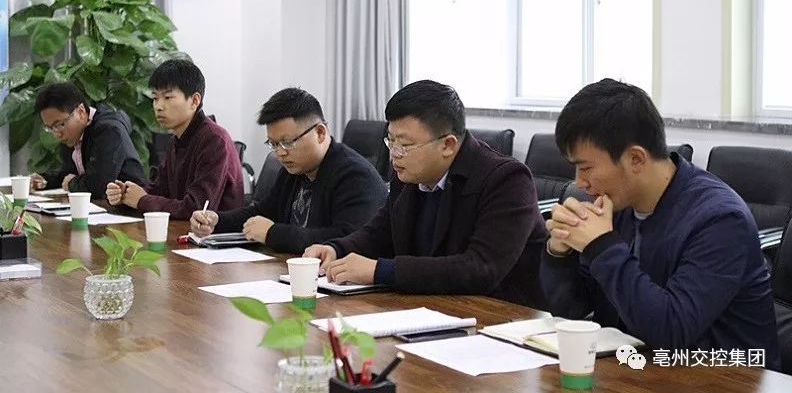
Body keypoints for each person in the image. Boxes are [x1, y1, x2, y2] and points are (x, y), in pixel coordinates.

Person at [541, 78, 780, 370]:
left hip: (724, 377)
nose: (579, 182)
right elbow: (571, 311)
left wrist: (602, 246)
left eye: (586, 167)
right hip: (634, 371)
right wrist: (560, 253)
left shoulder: (720, 221)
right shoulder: (617, 205)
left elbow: (670, 331)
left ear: (636, 159)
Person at [303, 80, 547, 308]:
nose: (394, 154)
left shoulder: (507, 180)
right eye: (391, 141)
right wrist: (337, 248)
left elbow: (480, 268)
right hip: (430, 306)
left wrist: (380, 271)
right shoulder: (409, 174)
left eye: (405, 145)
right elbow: (381, 232)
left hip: (502, 317)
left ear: (448, 145)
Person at [190, 88, 387, 254]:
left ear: (320, 133)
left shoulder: (355, 177)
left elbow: (347, 239)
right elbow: (263, 212)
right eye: (273, 144)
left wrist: (272, 233)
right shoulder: (294, 170)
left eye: (288, 142)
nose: (280, 153)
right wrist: (217, 220)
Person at [106, 59, 244, 220]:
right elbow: (159, 190)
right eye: (155, 98)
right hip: (181, 229)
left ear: (194, 100)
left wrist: (142, 200)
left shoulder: (214, 140)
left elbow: (197, 208)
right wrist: (127, 195)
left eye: (168, 97)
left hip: (216, 234)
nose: (158, 106)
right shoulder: (176, 140)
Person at [31, 83, 146, 198]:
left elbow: (99, 184)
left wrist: (72, 183)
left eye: (60, 124)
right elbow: (69, 174)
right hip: (97, 205)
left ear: (80, 111)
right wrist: (45, 181)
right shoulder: (73, 134)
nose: (56, 133)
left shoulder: (108, 130)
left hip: (127, 205)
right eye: (50, 128)